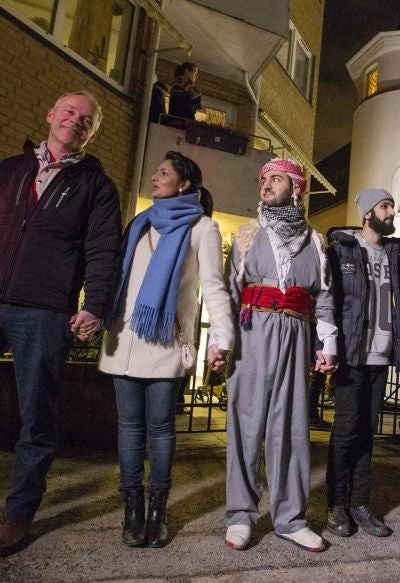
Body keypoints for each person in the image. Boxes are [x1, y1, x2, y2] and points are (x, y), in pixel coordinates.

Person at [0, 91, 121, 555]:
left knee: (37, 418)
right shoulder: (11, 169)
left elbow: (103, 250)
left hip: (46, 310)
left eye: (86, 119)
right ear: (50, 116)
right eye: (68, 112)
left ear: (93, 132)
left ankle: (17, 514)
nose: (75, 121)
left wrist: (95, 305)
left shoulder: (97, 186)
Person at [99, 151, 233, 548]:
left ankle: (158, 507)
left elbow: (213, 287)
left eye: (163, 173)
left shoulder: (202, 228)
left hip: (165, 340)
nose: (155, 177)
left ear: (184, 184)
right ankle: (132, 507)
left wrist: (220, 339)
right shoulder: (140, 223)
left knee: (159, 428)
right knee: (128, 428)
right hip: (124, 339)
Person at [223, 158, 336, 552]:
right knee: (246, 423)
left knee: (289, 426)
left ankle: (290, 518)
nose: (266, 185)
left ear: (296, 186)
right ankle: (240, 515)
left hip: (295, 332)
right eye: (263, 179)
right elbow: (229, 292)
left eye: (275, 178)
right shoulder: (248, 234)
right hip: (252, 330)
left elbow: (323, 297)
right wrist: (222, 341)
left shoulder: (316, 241)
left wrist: (327, 344)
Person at [324, 189, 400, 539]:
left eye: (392, 208)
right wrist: (327, 345)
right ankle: (336, 505)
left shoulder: (394, 253)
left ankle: (360, 503)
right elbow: (330, 300)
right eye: (386, 207)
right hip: (352, 354)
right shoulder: (342, 248)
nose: (391, 213)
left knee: (367, 433)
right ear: (367, 212)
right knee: (345, 432)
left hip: (381, 355)